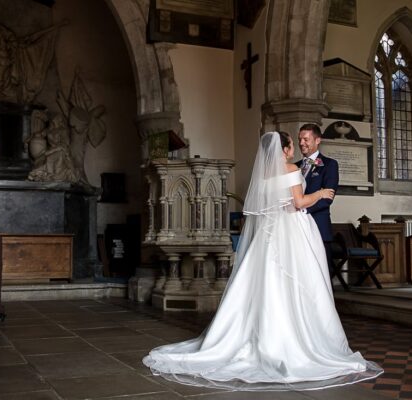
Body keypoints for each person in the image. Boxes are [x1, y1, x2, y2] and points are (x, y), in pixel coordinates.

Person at [143, 131, 382, 391]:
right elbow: (298, 203)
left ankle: (256, 334)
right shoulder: (291, 168)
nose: (296, 147)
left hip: (268, 236)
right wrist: (321, 193)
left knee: (264, 282)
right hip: (292, 233)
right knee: (298, 285)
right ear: (287, 149)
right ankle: (297, 338)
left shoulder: (265, 176)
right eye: (293, 143)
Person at [297, 123, 339, 270]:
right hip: (296, 228)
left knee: (321, 274)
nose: (301, 143)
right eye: (300, 139)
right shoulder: (294, 167)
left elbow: (327, 198)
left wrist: (302, 211)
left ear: (317, 140)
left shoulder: (329, 165)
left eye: (306, 139)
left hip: (318, 226)